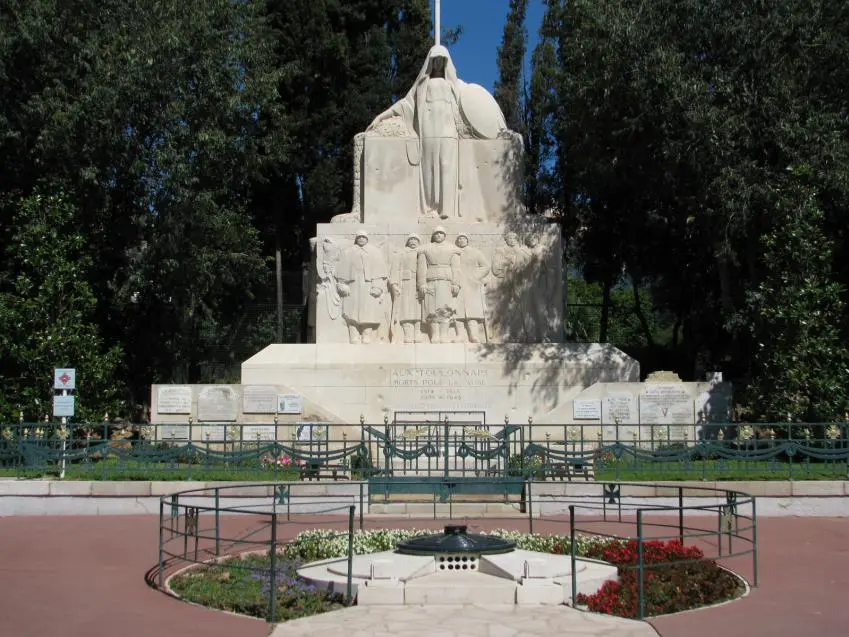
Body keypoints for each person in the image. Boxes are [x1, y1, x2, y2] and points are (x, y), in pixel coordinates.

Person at [368, 46, 465, 219]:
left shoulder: (455, 87)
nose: (438, 64)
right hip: (428, 132)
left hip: (449, 133)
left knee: (447, 167)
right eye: (435, 60)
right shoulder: (422, 86)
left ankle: (447, 210)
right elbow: (405, 105)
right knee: (428, 168)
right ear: (430, 62)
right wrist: (381, 116)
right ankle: (430, 208)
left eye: (442, 60)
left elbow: (467, 109)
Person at [335, 230, 388, 344]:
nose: (361, 239)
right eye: (359, 237)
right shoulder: (348, 252)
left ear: (367, 239)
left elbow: (379, 271)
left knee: (368, 310)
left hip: (368, 284)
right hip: (353, 284)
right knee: (351, 309)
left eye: (363, 237)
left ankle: (366, 334)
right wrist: (342, 283)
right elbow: (342, 269)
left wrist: (377, 286)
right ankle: (353, 334)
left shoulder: (374, 252)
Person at [416, 226, 460, 343]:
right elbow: (421, 267)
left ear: (445, 235)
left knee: (445, 308)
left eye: (441, 233)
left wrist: (456, 283)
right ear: (433, 235)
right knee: (431, 308)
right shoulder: (425, 249)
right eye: (436, 233)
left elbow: (456, 268)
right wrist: (422, 283)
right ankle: (435, 334)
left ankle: (444, 334)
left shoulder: (452, 249)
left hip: (446, 280)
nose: (439, 235)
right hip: (430, 280)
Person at [453, 232, 490, 343]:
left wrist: (476, 276)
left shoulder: (475, 252)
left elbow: (486, 266)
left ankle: (473, 335)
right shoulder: (454, 253)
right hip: (458, 283)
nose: (461, 240)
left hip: (472, 284)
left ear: (467, 240)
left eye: (463, 238)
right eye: (459, 239)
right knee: (457, 310)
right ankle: (460, 334)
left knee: (472, 310)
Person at [389, 234, 423, 343]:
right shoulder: (401, 253)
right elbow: (395, 269)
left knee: (418, 309)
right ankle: (407, 333)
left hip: (419, 284)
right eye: (411, 239)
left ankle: (417, 332)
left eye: (415, 239)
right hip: (405, 284)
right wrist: (394, 284)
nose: (413, 241)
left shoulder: (422, 253)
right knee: (405, 309)